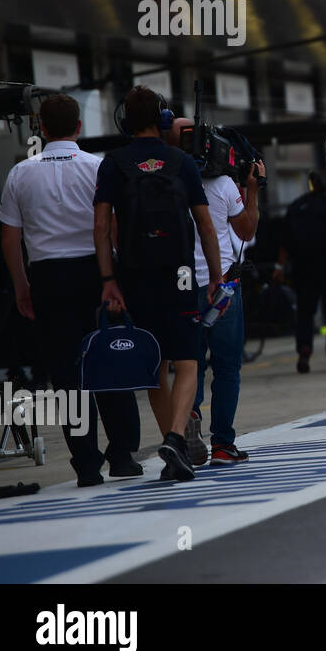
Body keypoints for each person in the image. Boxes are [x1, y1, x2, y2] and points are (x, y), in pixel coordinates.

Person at [0, 94, 142, 487]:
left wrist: (21, 286)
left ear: (40, 128)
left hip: (47, 278)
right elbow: (110, 227)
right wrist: (113, 278)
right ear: (79, 127)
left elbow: (10, 239)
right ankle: (124, 456)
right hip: (97, 274)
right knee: (108, 360)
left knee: (66, 374)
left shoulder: (20, 173)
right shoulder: (99, 167)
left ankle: (87, 465)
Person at [95, 86, 223, 482]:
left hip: (134, 274)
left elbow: (101, 227)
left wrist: (108, 280)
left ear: (125, 123)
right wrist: (216, 275)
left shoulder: (112, 164)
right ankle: (176, 439)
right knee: (189, 361)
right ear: (163, 120)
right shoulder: (182, 161)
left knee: (155, 363)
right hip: (180, 274)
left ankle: (174, 447)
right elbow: (204, 224)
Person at [173, 118, 262, 467]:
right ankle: (223, 444)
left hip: (180, 288)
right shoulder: (224, 184)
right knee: (227, 368)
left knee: (188, 366)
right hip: (221, 285)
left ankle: (188, 424)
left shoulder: (166, 181)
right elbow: (246, 232)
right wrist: (251, 190)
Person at [277, 171, 326, 373]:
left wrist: (279, 266)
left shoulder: (296, 206)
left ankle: (304, 351)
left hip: (302, 268)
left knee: (305, 312)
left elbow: (285, 241)